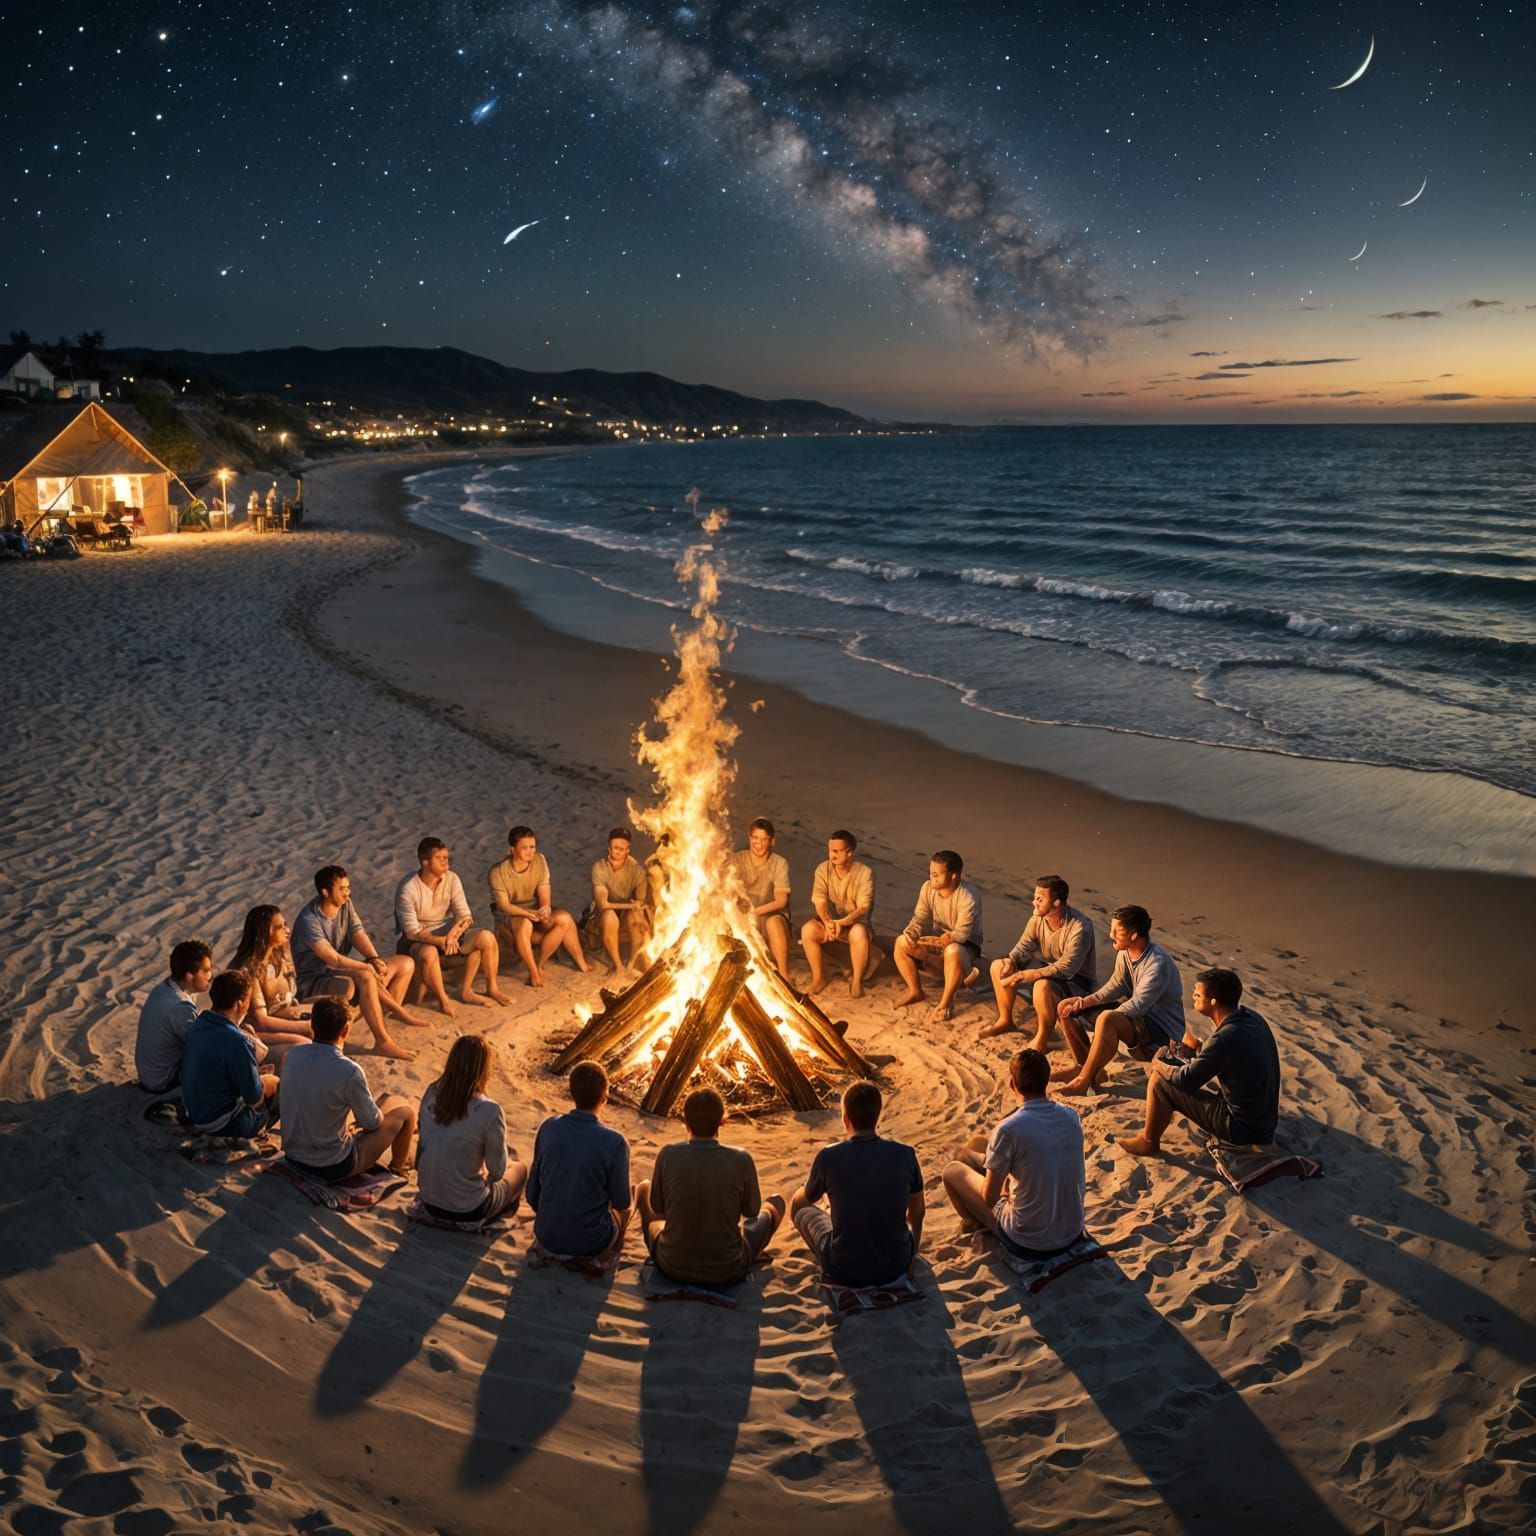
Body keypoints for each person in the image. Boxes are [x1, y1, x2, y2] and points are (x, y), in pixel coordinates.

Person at [1119, 967, 1281, 1157]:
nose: (1193, 996)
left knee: (1160, 1081)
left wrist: (1158, 1061)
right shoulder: (1251, 1018)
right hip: (1264, 1122)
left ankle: (1148, 1142)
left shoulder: (1225, 1038)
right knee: (1173, 1071)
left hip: (1242, 1129)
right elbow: (1227, 1058)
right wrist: (1198, 1049)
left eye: (1197, 994)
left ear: (1213, 1002)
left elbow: (1185, 1081)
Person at [941, 1048, 1086, 1261]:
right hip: (1072, 1232)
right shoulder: (1070, 1116)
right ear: (1047, 1081)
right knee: (976, 1146)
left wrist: (1003, 1190)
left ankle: (973, 1221)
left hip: (1028, 1241)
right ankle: (979, 1212)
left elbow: (989, 1198)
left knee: (952, 1170)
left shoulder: (1009, 1129)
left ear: (1012, 1084)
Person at [635, 1087, 785, 1285]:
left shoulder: (668, 1154)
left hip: (672, 1265)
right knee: (775, 1204)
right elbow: (752, 1211)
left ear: (685, 1121)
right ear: (723, 1120)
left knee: (643, 1189)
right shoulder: (741, 1158)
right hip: (729, 1268)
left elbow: (657, 1208)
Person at [790, 1080, 924, 1285]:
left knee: (802, 1212)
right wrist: (912, 1256)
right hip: (897, 1264)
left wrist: (801, 1190)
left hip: (845, 1268)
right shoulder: (905, 1154)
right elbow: (918, 1211)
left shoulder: (829, 1156)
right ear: (878, 1116)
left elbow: (804, 1200)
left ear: (846, 1119)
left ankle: (827, 1265)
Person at [1054, 904, 1185, 1096]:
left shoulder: (1157, 964)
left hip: (1160, 1032)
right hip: (1137, 1019)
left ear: (1133, 935)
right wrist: (1084, 1003)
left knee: (1107, 1019)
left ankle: (1084, 1079)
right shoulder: (1125, 953)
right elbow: (1116, 986)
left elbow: (1137, 1006)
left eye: (1117, 931)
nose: (1110, 935)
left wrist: (1105, 1019)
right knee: (1066, 1007)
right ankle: (1086, 1068)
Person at [278, 998, 415, 1182]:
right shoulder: (349, 1071)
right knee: (406, 1113)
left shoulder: (292, 1055)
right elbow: (372, 1124)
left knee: (384, 1101)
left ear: (313, 1025)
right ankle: (398, 1168)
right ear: (346, 1029)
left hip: (292, 1156)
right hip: (330, 1165)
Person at [291, 864, 420, 1060]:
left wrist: (375, 959)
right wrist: (366, 966)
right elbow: (331, 958)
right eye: (341, 888)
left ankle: (383, 1019)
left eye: (347, 887)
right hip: (316, 978)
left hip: (339, 970)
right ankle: (384, 1039)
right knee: (364, 977)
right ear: (325, 892)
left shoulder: (346, 905)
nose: (347, 892)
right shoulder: (309, 920)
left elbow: (357, 932)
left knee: (405, 964)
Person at [526, 1062, 632, 1260]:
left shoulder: (549, 1127)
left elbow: (532, 1193)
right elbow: (622, 1202)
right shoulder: (615, 1142)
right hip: (590, 1243)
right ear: (604, 1097)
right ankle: (613, 1251)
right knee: (628, 1208)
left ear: (572, 1092)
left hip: (546, 1235)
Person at [418, 1034, 527, 1221]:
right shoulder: (489, 1110)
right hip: (469, 1208)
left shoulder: (431, 1093)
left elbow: (422, 1147)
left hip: (429, 1200)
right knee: (520, 1168)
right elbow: (497, 1172)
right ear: (483, 1069)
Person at [394, 837, 508, 1013]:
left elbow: (465, 915)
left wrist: (455, 932)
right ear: (424, 861)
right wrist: (440, 941)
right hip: (418, 939)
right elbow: (411, 932)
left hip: (448, 933)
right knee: (429, 951)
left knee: (486, 937)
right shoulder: (408, 888)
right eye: (439, 858)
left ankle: (484, 989)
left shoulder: (452, 879)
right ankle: (443, 999)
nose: (445, 861)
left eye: (446, 857)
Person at [984, 875, 1098, 1043]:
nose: (1034, 902)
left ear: (1056, 903)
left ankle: (1043, 1037)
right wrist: (1012, 960)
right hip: (1047, 967)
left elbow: (1068, 968)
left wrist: (1031, 974)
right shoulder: (1037, 919)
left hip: (1076, 981)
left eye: (1040, 899)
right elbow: (1025, 945)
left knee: (1041, 985)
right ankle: (1005, 1020)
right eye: (1034, 897)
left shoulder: (1080, 928)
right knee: (998, 966)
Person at [180, 970, 280, 1138]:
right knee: (276, 1084)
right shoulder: (237, 1040)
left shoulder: (200, 1023)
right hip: (222, 1123)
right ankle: (263, 1130)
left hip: (196, 1113)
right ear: (240, 1003)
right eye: (248, 1001)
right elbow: (254, 1098)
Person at [487, 826, 588, 987]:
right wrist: (527, 913)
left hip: (534, 909)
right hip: (509, 915)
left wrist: (545, 907)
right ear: (512, 849)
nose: (529, 851)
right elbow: (503, 905)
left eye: (532, 847)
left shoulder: (539, 860)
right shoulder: (498, 872)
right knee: (525, 924)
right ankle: (533, 972)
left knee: (564, 919)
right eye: (524, 847)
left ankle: (575, 963)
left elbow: (544, 889)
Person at [893, 850, 984, 1022]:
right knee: (902, 942)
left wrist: (939, 942)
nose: (931, 878)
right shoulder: (928, 888)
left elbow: (962, 935)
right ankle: (915, 990)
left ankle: (946, 1003)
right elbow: (920, 917)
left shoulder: (968, 897)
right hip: (938, 939)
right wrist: (912, 932)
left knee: (953, 951)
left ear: (953, 876)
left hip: (966, 948)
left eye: (936, 874)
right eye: (931, 873)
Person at [229, 906, 314, 1062]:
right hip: (253, 1032)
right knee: (305, 1043)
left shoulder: (278, 958)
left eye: (286, 924)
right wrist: (305, 1027)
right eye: (281, 926)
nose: (287, 930)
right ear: (266, 931)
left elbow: (285, 1002)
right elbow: (261, 1021)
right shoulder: (248, 969)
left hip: (282, 1017)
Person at [800, 830, 879, 998]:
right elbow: (819, 900)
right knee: (808, 930)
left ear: (849, 852)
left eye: (837, 851)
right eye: (830, 850)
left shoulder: (864, 873)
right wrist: (828, 921)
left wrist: (841, 923)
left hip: (855, 923)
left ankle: (857, 981)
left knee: (858, 933)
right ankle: (820, 977)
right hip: (831, 922)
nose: (832, 855)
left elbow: (863, 908)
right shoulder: (823, 869)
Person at [136, 939, 213, 1093]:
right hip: (163, 1080)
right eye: (205, 970)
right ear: (190, 976)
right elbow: (202, 1047)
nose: (210, 976)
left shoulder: (165, 987)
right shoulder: (180, 1007)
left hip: (149, 1074)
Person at [582, 826, 652, 973]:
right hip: (601, 916)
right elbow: (604, 904)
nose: (617, 851)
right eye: (614, 847)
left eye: (621, 848)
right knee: (610, 916)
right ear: (609, 847)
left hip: (625, 914)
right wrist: (631, 906)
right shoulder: (599, 868)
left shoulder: (636, 871)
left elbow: (640, 902)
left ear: (628, 849)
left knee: (636, 915)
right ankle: (618, 966)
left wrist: (635, 908)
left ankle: (632, 962)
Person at [729, 817, 791, 978]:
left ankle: (784, 976)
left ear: (772, 841)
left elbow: (781, 901)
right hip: (744, 918)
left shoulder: (779, 863)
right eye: (755, 838)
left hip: (769, 916)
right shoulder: (738, 860)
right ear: (749, 838)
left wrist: (754, 912)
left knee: (774, 922)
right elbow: (727, 890)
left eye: (764, 839)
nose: (759, 843)